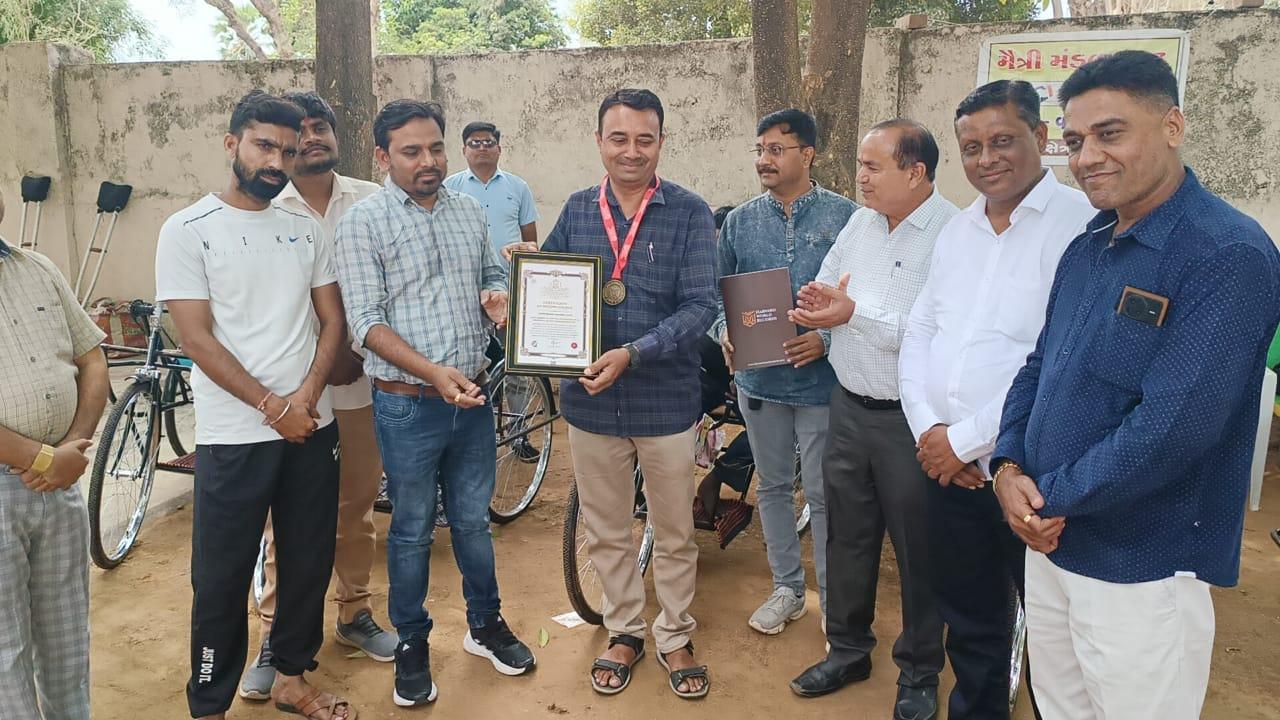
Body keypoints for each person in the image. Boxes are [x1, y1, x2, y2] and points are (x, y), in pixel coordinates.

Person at [990, 50, 1280, 720]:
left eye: (1109, 133)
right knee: (1060, 706)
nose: (1087, 155)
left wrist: (1041, 501)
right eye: (1074, 140)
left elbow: (1175, 430)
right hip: (1052, 540)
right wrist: (1006, 466)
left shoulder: (1226, 254)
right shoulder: (1091, 244)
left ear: (1172, 125)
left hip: (1138, 563)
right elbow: (1040, 366)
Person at [897, 80, 1093, 720]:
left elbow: (1055, 362)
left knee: (1055, 629)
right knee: (969, 616)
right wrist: (931, 432)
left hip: (1028, 471)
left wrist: (962, 441)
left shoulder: (1082, 230)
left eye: (1003, 141)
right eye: (972, 146)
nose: (987, 159)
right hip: (947, 471)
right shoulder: (958, 231)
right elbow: (922, 330)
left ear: (1041, 139)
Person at [156, 90, 355, 720]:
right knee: (220, 575)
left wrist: (306, 400)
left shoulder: (303, 228)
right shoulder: (187, 230)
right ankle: (210, 702)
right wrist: (274, 406)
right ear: (232, 143)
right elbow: (196, 338)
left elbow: (332, 322)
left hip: (307, 428)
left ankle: (293, 678)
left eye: (288, 151)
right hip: (234, 434)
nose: (277, 161)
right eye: (265, 145)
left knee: (307, 562)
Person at [334, 99, 534, 709]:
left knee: (473, 522)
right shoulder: (362, 223)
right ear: (382, 156)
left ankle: (485, 626)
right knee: (414, 530)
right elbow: (364, 323)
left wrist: (497, 298)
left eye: (435, 148)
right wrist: (432, 373)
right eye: (411, 151)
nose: (429, 161)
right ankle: (413, 644)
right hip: (406, 405)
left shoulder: (470, 212)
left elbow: (489, 278)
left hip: (471, 396)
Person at [537, 88, 717, 699]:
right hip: (590, 403)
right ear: (600, 142)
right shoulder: (579, 209)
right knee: (608, 528)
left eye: (645, 139)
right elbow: (553, 286)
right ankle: (624, 629)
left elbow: (701, 307)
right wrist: (522, 293)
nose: (632, 151)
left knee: (673, 531)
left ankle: (675, 633)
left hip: (666, 401)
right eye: (619, 138)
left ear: (661, 142)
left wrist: (634, 353)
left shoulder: (690, 212)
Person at [787, 119, 956, 720]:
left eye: (873, 166)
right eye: (859, 164)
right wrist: (815, 303)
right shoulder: (861, 222)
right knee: (846, 537)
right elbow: (830, 282)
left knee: (918, 550)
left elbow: (931, 334)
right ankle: (850, 649)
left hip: (912, 424)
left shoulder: (952, 234)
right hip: (849, 407)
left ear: (916, 172)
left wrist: (854, 313)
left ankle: (919, 670)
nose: (860, 176)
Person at [237, 90, 394, 701]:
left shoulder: (373, 200)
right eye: (299, 130)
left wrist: (359, 351)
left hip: (356, 389)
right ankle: (276, 639)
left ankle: (354, 615)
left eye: (322, 125)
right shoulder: (262, 203)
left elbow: (388, 284)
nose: (313, 137)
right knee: (286, 523)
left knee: (354, 510)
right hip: (287, 398)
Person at [713, 108, 856, 635]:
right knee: (772, 487)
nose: (764, 160)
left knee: (823, 493)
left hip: (822, 386)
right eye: (760, 149)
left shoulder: (846, 219)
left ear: (808, 154)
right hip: (760, 383)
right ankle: (787, 589)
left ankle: (837, 600)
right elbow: (716, 295)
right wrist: (722, 331)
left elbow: (863, 298)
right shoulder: (739, 222)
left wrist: (823, 339)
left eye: (777, 149)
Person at [0, 191, 110, 720]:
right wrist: (47, 459)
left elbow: (92, 358)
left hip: (61, 479)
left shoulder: (36, 266)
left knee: (67, 641)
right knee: (5, 653)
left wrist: (74, 446)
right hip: (15, 484)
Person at [443, 121, 539, 263]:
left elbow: (530, 239)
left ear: (499, 149)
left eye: (488, 143)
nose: (482, 148)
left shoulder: (518, 186)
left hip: (509, 276)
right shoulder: (449, 187)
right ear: (464, 151)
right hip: (467, 275)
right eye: (474, 143)